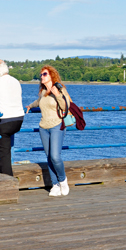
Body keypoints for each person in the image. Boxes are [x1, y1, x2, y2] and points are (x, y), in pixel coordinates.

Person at [26, 65, 72, 197]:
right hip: (43, 127)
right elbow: (39, 101)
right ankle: (55, 184)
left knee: (55, 157)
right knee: (49, 158)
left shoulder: (60, 89)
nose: (42, 77)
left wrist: (57, 94)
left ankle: (63, 180)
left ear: (51, 75)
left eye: (44, 74)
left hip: (57, 125)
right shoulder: (42, 92)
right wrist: (30, 106)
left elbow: (65, 106)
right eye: (41, 75)